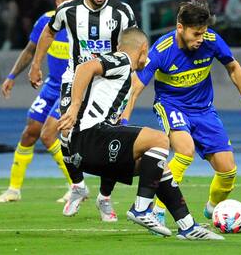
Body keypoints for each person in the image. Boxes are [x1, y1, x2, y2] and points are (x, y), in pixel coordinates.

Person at [57, 27, 223, 240]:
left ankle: (187, 226)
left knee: (156, 166)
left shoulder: (123, 76)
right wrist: (73, 107)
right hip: (90, 137)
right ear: (144, 49)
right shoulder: (123, 60)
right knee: (160, 139)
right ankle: (141, 208)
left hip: (87, 150)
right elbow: (85, 67)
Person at [121, 1, 241, 224]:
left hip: (204, 110)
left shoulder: (211, 41)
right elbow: (136, 86)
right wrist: (124, 120)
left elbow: (233, 67)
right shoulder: (161, 50)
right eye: (196, 33)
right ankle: (157, 211)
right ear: (180, 27)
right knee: (185, 151)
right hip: (171, 106)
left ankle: (213, 208)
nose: (200, 38)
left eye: (203, 32)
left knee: (228, 173)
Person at [28, 0, 137, 222]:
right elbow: (48, 32)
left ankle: (105, 198)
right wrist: (35, 64)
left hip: (109, 83)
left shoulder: (123, 12)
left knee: (112, 138)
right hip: (75, 77)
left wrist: (131, 78)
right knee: (65, 131)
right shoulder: (67, 10)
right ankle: (77, 186)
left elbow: (134, 45)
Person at [0, 0, 80, 204]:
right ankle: (14, 189)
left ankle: (76, 186)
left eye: (75, 0)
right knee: (30, 131)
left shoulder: (86, 25)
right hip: (52, 85)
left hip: (73, 87)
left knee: (48, 135)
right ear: (58, 3)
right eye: (66, 0)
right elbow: (30, 49)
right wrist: (12, 77)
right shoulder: (46, 21)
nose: (72, 4)